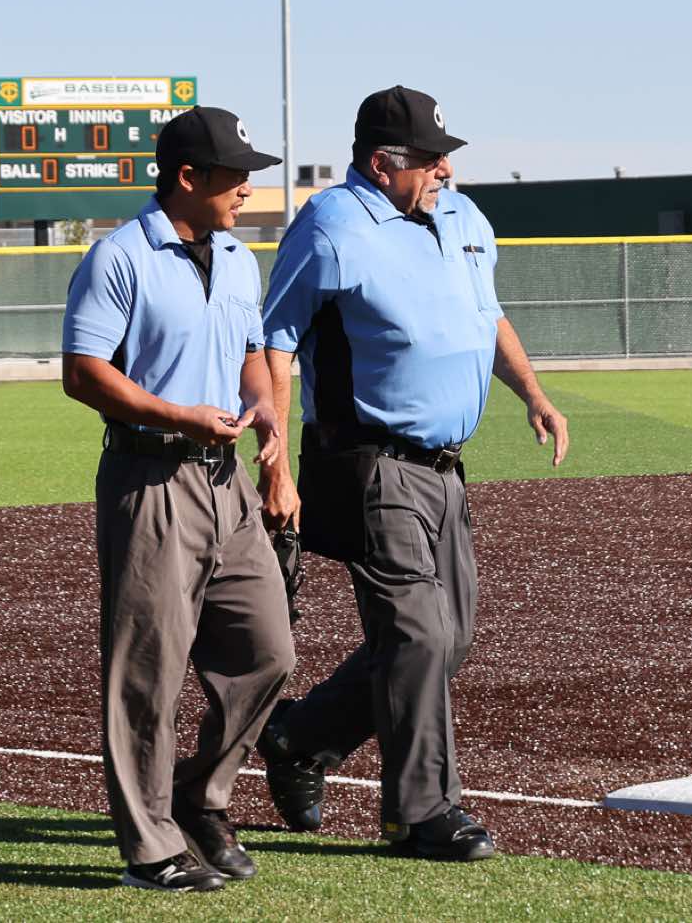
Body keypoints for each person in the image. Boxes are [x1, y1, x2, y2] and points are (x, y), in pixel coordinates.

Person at [254, 85, 570, 862]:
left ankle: (300, 735)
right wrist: (276, 464)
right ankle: (420, 813)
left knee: (443, 640)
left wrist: (533, 393)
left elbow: (486, 314)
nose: (444, 168)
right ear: (379, 162)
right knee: (419, 632)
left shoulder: (463, 217)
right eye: (429, 157)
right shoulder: (330, 226)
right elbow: (276, 344)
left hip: (445, 468)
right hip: (367, 461)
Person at [61, 105, 300, 893]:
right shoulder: (120, 256)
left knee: (268, 651)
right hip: (151, 477)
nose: (248, 188)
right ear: (189, 177)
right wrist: (177, 415)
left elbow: (251, 353)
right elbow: (82, 372)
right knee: (149, 672)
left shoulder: (237, 257)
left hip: (226, 481)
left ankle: (200, 796)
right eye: (237, 175)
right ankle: (150, 848)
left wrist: (263, 407)